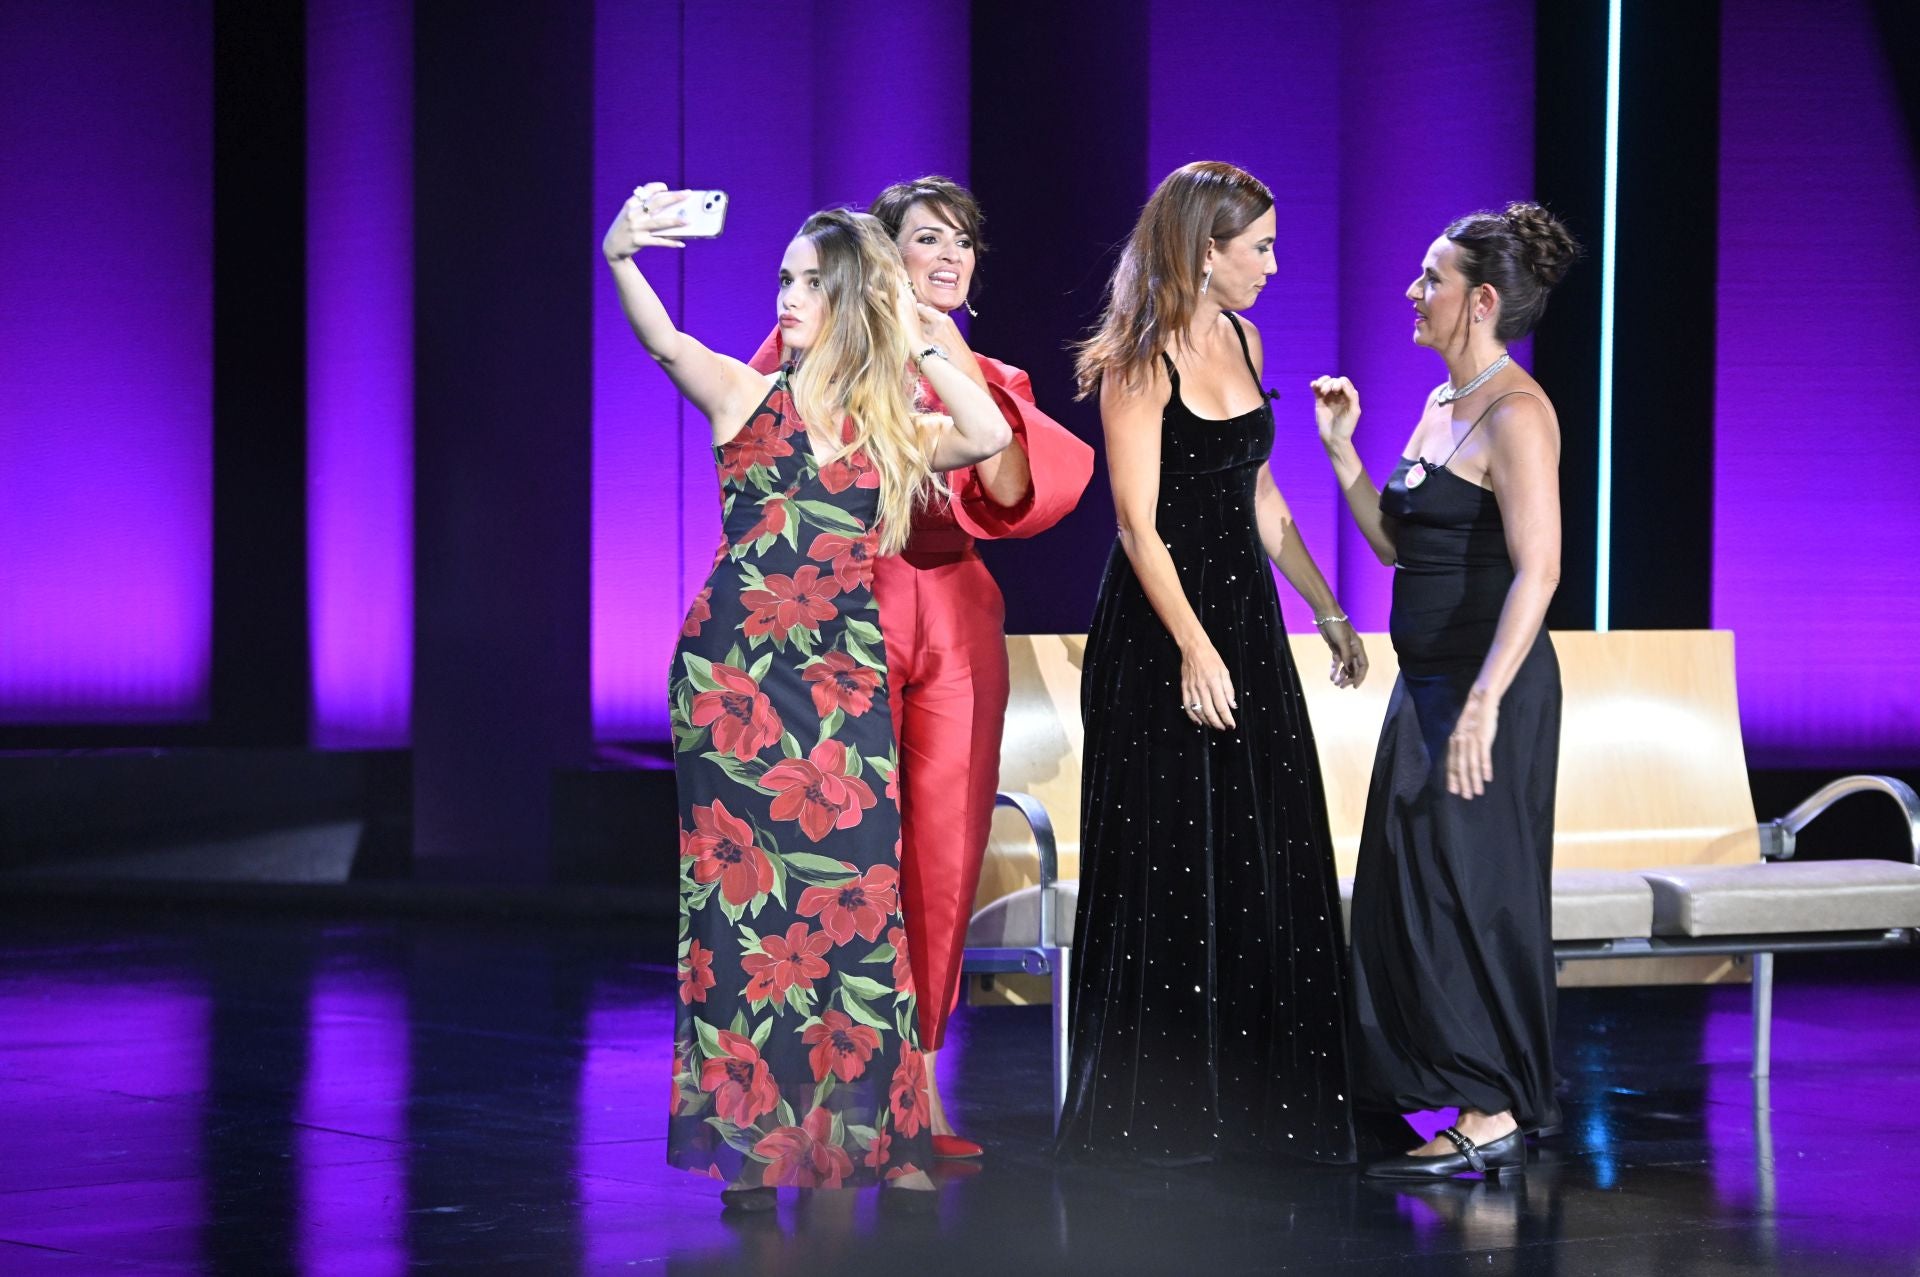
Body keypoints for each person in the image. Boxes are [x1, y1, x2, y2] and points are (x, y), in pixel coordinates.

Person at [602, 184, 1012, 1208]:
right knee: (741, 917)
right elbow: (662, 343)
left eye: (809, 282)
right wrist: (620, 254)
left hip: (841, 684)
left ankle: (850, 1136)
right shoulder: (748, 398)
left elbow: (989, 431)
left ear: (849, 297)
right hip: (733, 676)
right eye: (781, 278)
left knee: (851, 906)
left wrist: (914, 334)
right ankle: (748, 1148)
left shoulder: (891, 431)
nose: (786, 296)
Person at [748, 176, 1094, 1159]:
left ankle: (918, 1087)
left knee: (940, 856)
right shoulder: (819, 348)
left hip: (950, 610)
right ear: (883, 256)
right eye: (926, 240)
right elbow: (758, 437)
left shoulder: (988, 376)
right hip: (841, 604)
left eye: (963, 244)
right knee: (834, 848)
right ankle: (811, 1085)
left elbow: (1009, 480)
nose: (948, 257)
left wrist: (937, 353)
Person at [1058, 161, 1370, 1166]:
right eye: (1262, 248)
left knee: (1264, 853)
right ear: (1206, 250)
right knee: (1170, 867)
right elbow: (1139, 525)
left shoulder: (1244, 336)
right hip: (1162, 637)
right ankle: (1167, 1116)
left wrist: (1324, 603)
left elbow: (1262, 498)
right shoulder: (1139, 362)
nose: (1275, 266)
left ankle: (1263, 1100)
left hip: (1245, 624)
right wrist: (1193, 646)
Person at [1311, 202, 1578, 1180]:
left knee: (1475, 888)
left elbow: (1538, 569)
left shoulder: (1519, 412)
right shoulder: (1437, 406)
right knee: (1408, 887)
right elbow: (1396, 546)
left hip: (1487, 689)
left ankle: (1497, 1102)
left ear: (1484, 299)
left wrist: (1484, 701)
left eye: (1432, 279)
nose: (1413, 293)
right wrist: (1343, 454)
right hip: (1427, 686)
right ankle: (1434, 1085)